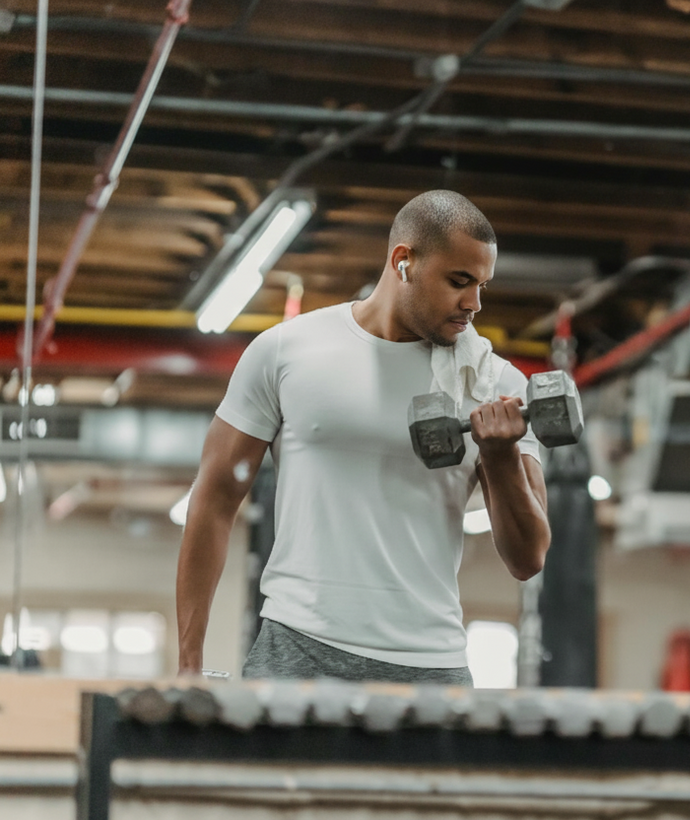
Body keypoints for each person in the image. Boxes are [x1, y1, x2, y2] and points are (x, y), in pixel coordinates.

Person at [176, 190, 550, 685]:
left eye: (482, 285)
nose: (474, 304)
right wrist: (187, 664)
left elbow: (529, 559)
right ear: (403, 262)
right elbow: (214, 501)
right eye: (459, 282)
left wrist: (499, 458)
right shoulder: (288, 351)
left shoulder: (493, 386)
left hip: (431, 667)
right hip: (297, 649)